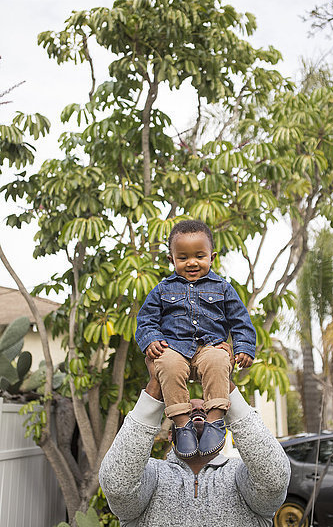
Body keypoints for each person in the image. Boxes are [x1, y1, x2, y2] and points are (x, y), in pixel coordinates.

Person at [99, 357, 291, 527]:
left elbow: (274, 479)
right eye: (188, 412)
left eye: (207, 410)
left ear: (223, 431)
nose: (198, 410)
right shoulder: (152, 475)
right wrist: (157, 384)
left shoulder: (240, 476)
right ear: (171, 436)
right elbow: (117, 487)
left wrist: (222, 380)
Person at [134, 219, 257, 457]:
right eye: (183, 258)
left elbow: (240, 320)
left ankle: (215, 421)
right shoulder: (162, 290)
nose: (192, 262)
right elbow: (146, 319)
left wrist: (243, 346)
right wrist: (151, 339)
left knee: (219, 361)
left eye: (199, 256)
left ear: (212, 257)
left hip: (210, 347)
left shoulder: (222, 288)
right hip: (174, 348)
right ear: (171, 259)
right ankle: (182, 424)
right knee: (166, 365)